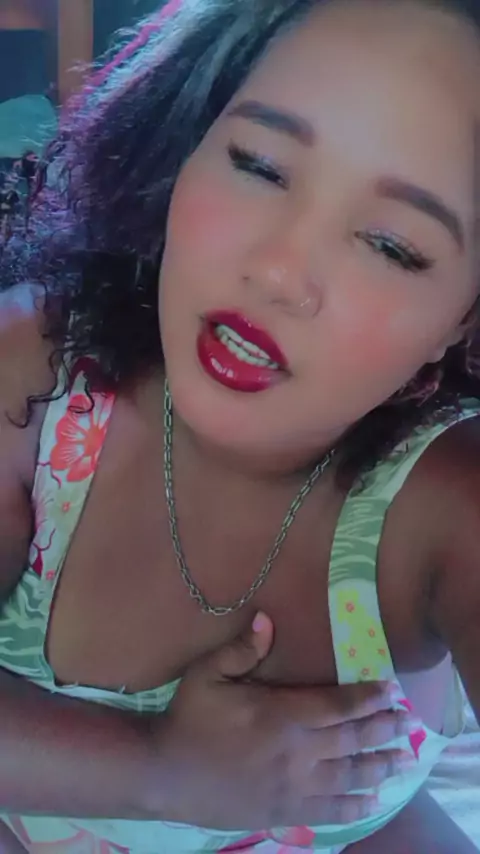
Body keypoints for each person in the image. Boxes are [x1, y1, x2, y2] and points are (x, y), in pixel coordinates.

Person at [0, 0, 480, 851]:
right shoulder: (36, 375)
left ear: (463, 320)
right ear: (187, 142)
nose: (279, 271)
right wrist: (159, 768)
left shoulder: (448, 502)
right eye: (259, 164)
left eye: (391, 245)